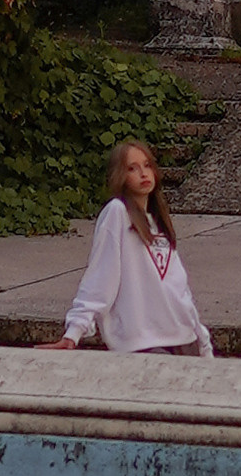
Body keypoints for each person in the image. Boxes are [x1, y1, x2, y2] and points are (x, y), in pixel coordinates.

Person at [51, 138, 215, 357]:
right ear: (121, 175)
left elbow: (178, 287)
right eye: (132, 168)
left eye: (147, 166)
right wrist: (74, 332)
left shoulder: (158, 221)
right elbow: (100, 277)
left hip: (185, 339)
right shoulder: (117, 212)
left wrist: (203, 341)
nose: (143, 174)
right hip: (143, 343)